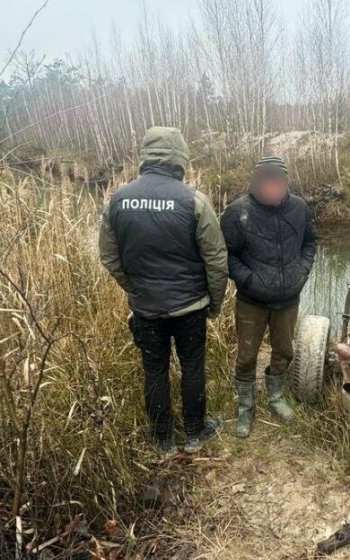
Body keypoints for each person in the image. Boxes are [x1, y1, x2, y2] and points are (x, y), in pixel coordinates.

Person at [99, 126, 228, 456]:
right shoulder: (195, 201)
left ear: (146, 157)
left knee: (154, 371)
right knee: (193, 369)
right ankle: (195, 436)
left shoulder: (118, 200)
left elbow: (109, 256)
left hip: (145, 309)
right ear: (180, 159)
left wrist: (134, 287)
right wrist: (214, 303)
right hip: (189, 308)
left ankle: (163, 441)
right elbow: (215, 259)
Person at [220, 156, 318, 438]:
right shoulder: (238, 211)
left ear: (285, 183)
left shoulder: (299, 207)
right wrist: (249, 279)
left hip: (288, 299)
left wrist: (302, 271)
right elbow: (225, 255)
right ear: (257, 182)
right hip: (251, 301)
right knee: (247, 355)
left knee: (285, 351)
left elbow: (310, 241)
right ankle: (246, 407)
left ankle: (276, 397)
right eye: (267, 182)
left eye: (278, 182)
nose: (273, 188)